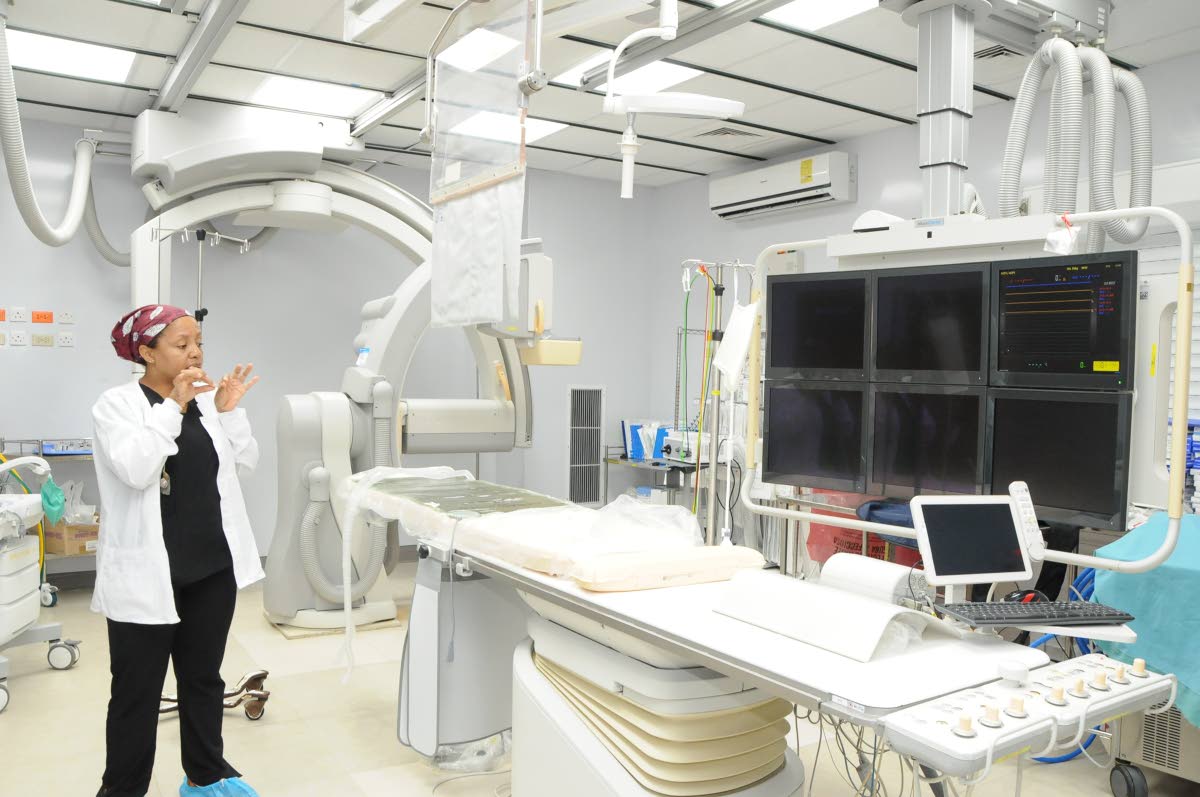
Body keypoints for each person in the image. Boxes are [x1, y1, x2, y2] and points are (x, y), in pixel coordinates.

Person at [91, 305, 264, 797]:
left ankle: (206, 776)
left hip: (211, 569)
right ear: (146, 352)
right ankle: (122, 789)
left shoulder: (206, 402)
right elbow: (137, 468)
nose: (195, 353)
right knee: (135, 693)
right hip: (149, 575)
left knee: (204, 680)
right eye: (181, 344)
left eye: (199, 342)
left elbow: (245, 462)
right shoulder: (117, 405)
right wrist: (174, 407)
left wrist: (228, 412)